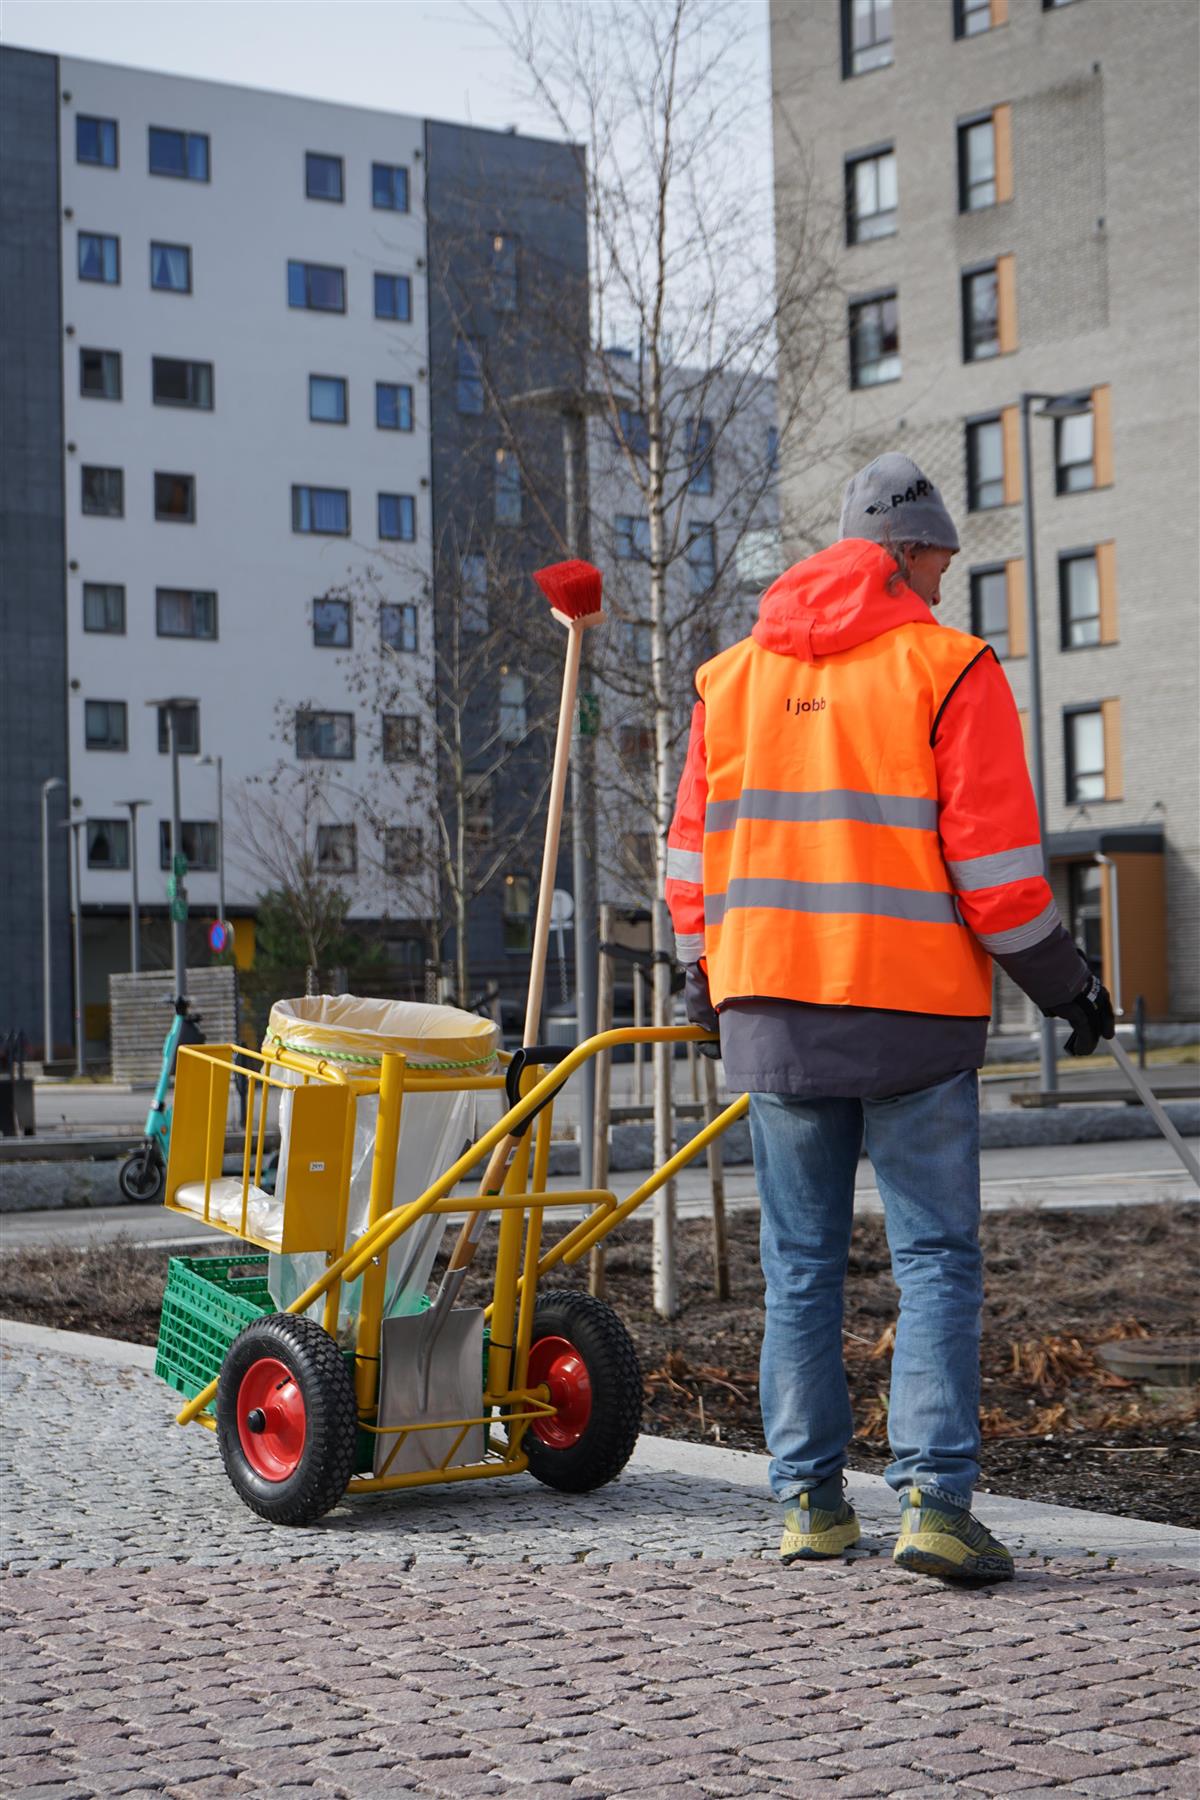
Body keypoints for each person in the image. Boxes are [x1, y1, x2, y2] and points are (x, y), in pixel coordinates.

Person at [664, 453, 1113, 1582]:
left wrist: (696, 976)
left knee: (802, 1268)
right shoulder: (948, 668)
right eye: (941, 564)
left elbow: (687, 859)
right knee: (934, 1259)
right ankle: (936, 1508)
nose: (943, 587)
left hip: (770, 1007)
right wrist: (1070, 986)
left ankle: (811, 1507)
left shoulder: (731, 681)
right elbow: (998, 873)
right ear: (906, 554)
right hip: (909, 1009)